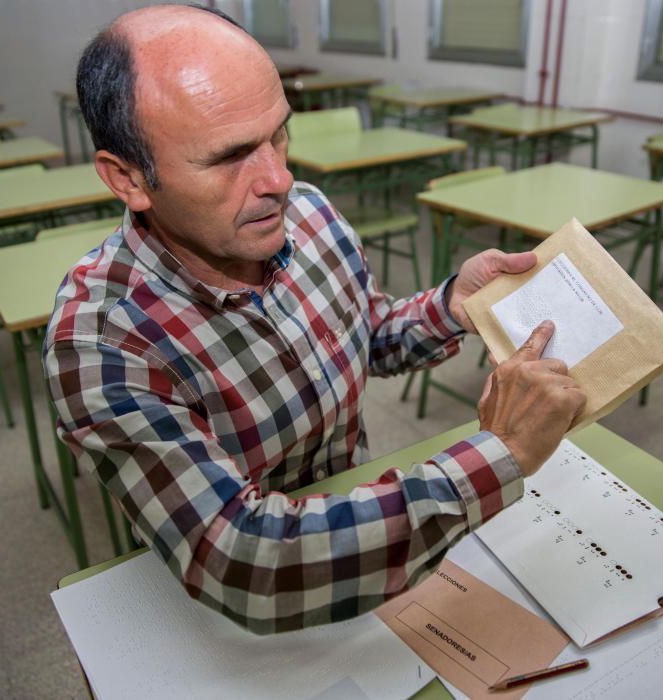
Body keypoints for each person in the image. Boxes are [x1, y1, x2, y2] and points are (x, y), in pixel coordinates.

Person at [43, 3, 585, 635]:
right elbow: (242, 558)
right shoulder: (102, 341)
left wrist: (448, 306)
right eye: (228, 157)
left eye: (279, 134)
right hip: (250, 611)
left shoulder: (308, 212)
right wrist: (506, 452)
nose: (279, 177)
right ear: (129, 179)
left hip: (373, 530)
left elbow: (366, 334)